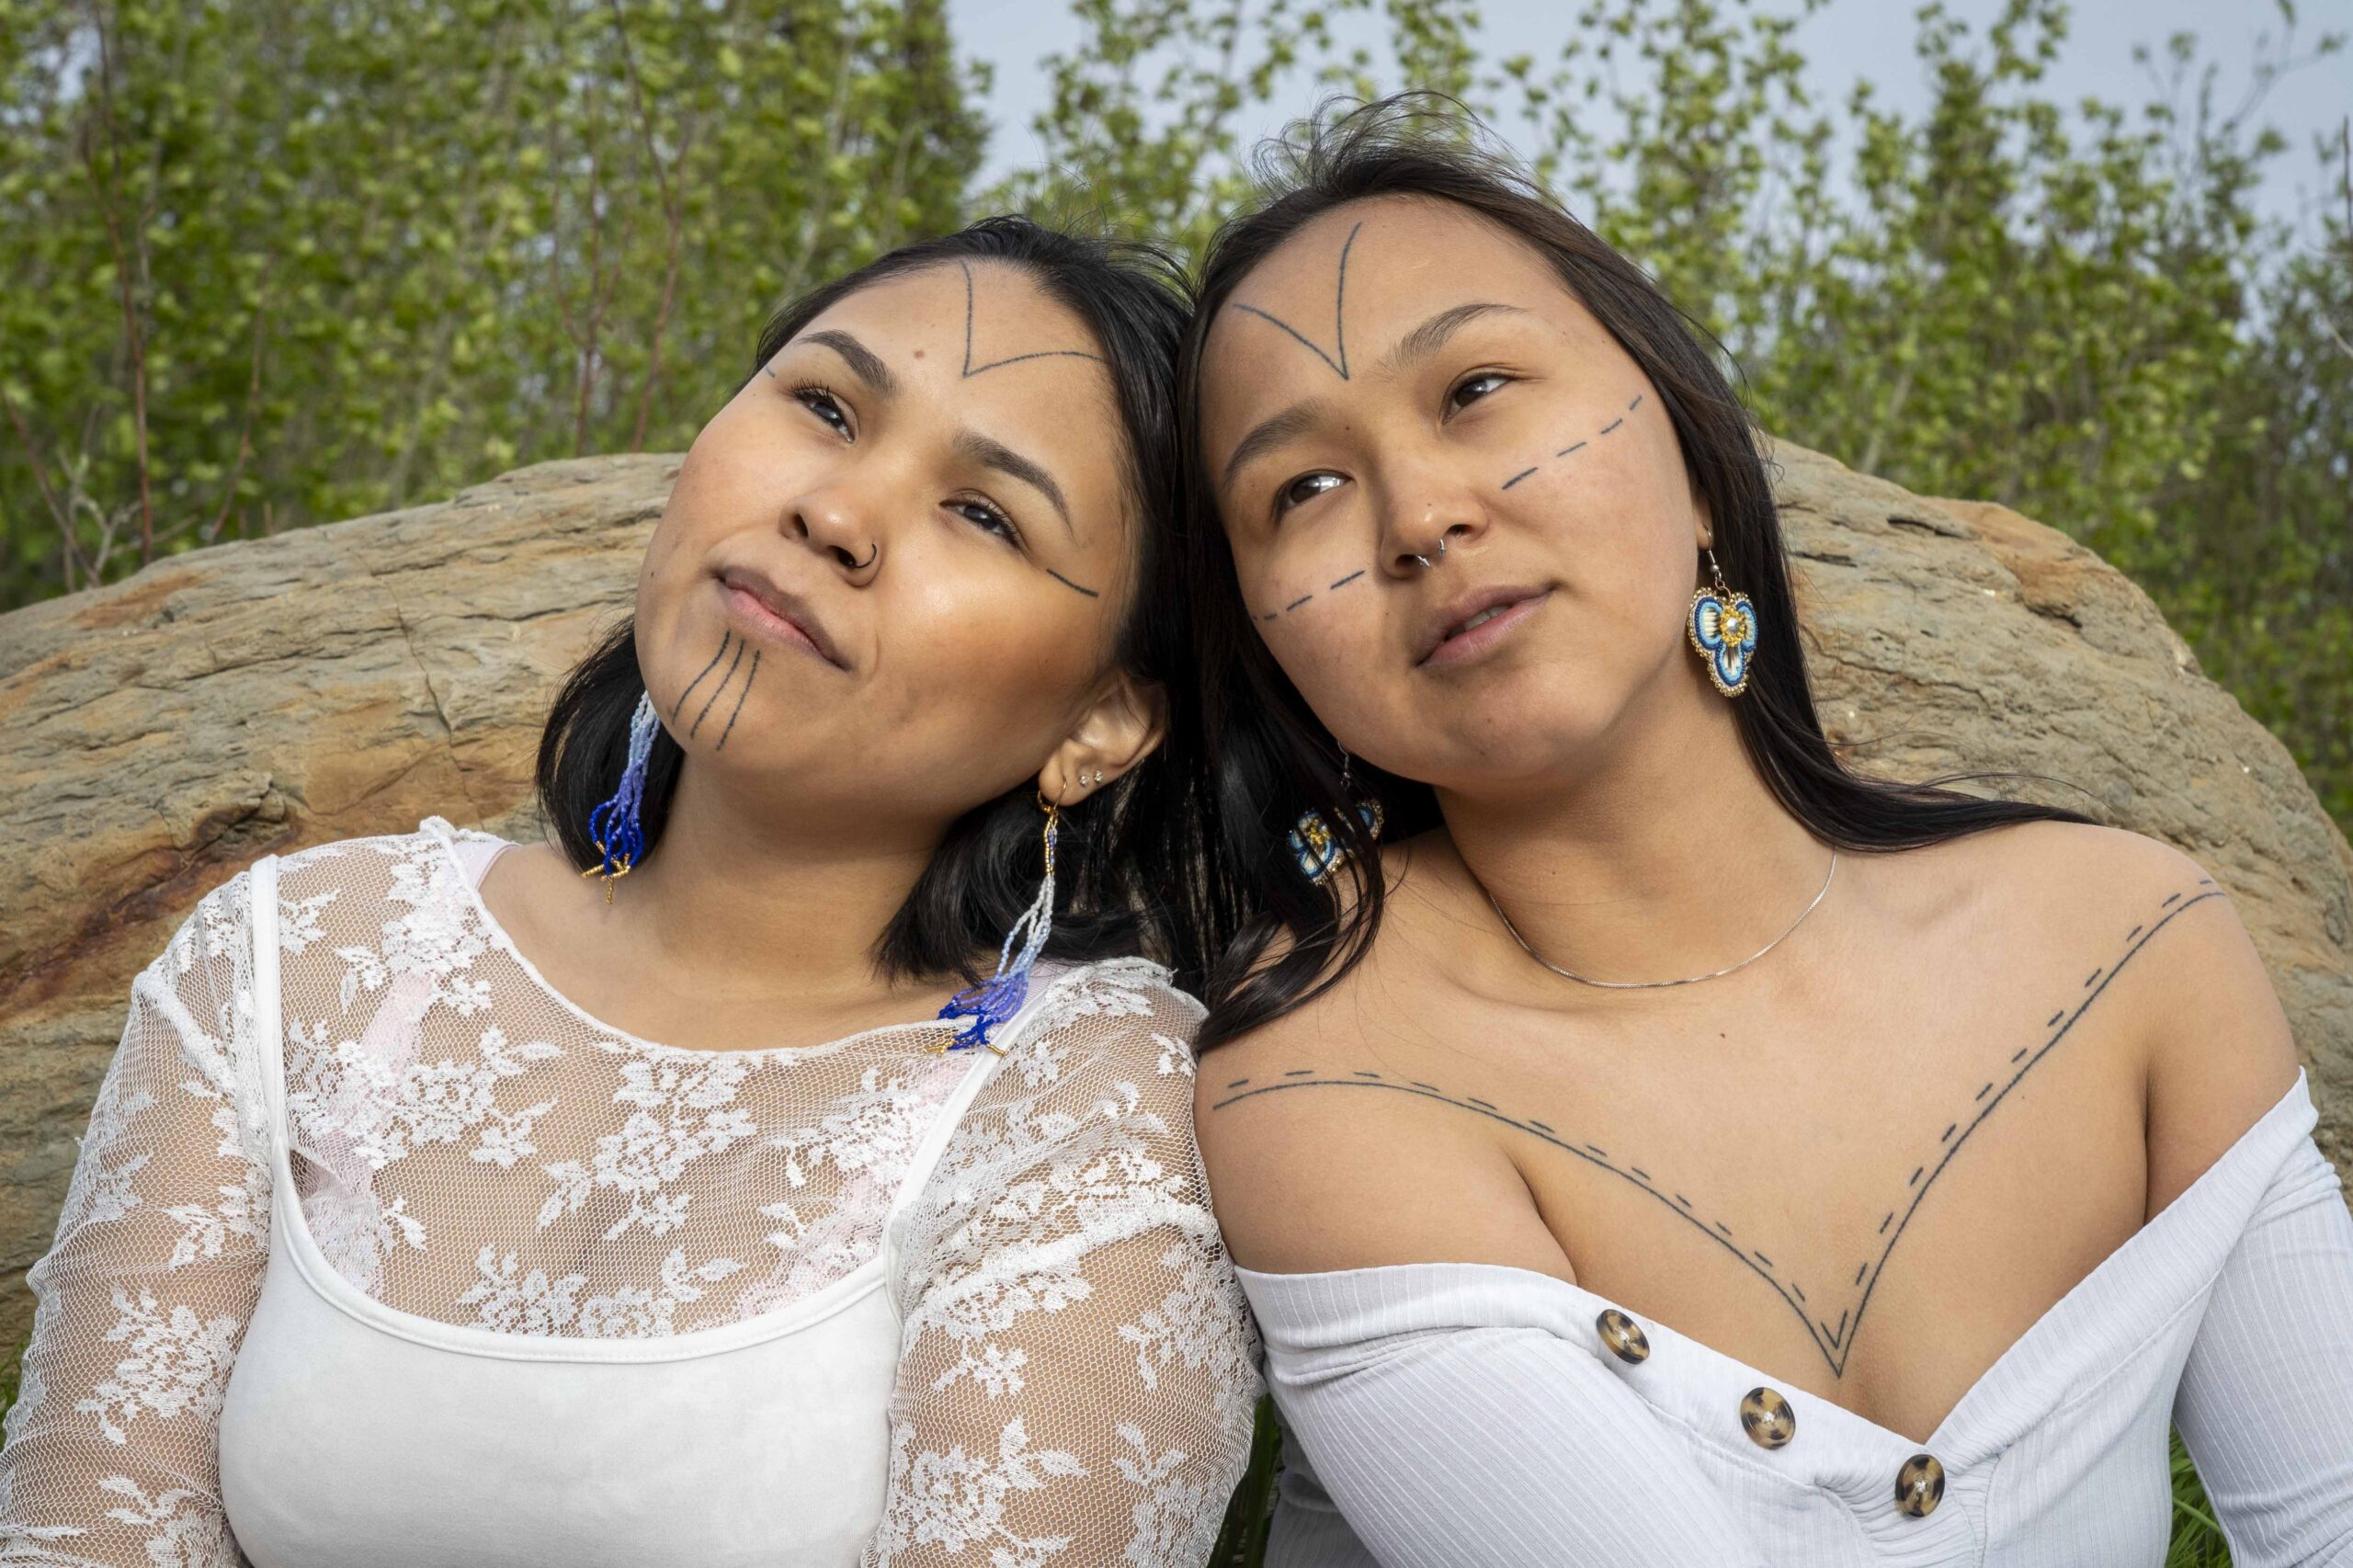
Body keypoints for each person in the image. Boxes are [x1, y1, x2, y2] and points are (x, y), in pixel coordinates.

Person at [1177, 98, 2353, 1567]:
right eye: (1301, 489)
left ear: (1692, 457)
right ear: (1270, 648)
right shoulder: (1321, 1073)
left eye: (1475, 387)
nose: (1417, 515)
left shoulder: (2132, 945)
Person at [0, 216, 1258, 1567]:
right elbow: (83, 1533)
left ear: (1102, 725)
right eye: (825, 407)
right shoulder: (301, 955)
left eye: (984, 512)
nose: (835, 515)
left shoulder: (1085, 1100)